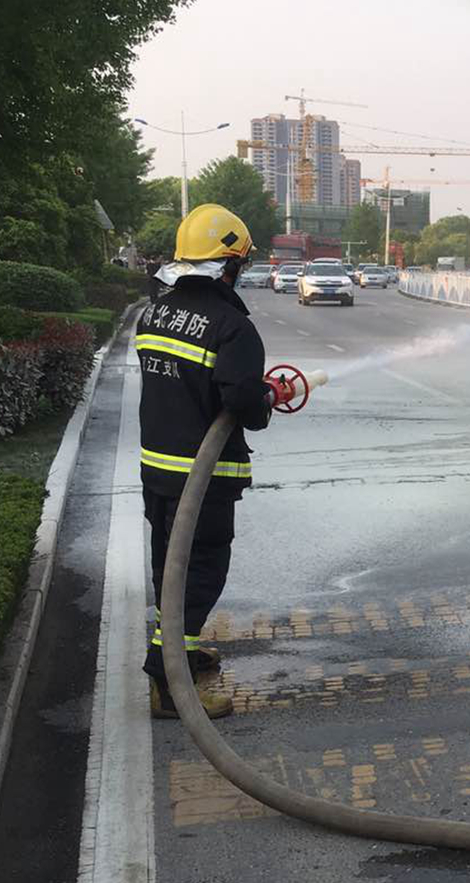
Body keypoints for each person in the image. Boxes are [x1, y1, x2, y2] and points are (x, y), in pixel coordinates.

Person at [138, 204, 295, 719]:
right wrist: (266, 395)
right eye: (239, 266)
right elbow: (243, 405)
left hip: (157, 471)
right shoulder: (232, 328)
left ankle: (174, 656)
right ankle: (172, 681)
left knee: (170, 568)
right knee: (200, 574)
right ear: (228, 266)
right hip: (202, 481)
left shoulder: (155, 312)